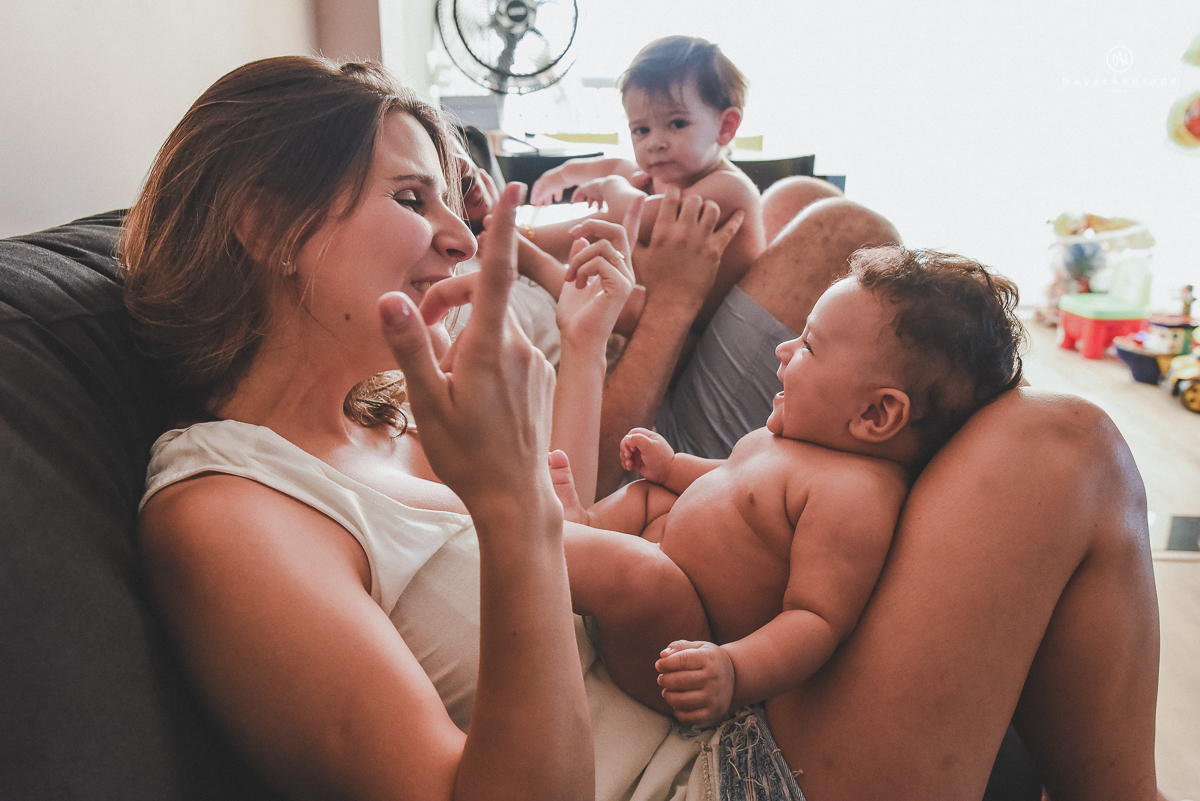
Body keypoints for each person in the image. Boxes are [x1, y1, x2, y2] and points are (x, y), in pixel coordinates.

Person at [121, 55, 1159, 801]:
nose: (454, 233)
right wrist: (517, 517)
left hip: (720, 704)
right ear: (264, 225)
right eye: (409, 196)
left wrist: (578, 359)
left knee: (1028, 440)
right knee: (1060, 450)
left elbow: (573, 515)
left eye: (453, 199)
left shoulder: (391, 425)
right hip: (712, 776)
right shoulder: (227, 511)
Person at [556, 247, 1025, 735]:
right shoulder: (792, 438)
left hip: (677, 651)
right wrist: (671, 467)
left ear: (876, 415)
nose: (783, 349)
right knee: (649, 496)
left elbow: (815, 620)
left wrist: (732, 669)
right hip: (664, 573)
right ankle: (585, 528)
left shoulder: (854, 494)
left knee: (643, 574)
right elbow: (726, 482)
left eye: (809, 346)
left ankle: (541, 548)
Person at [525, 36, 767, 330]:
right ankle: (522, 240)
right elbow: (616, 165)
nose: (655, 143)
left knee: (609, 230)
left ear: (725, 127)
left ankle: (525, 251)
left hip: (705, 340)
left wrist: (610, 186)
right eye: (641, 129)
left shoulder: (730, 189)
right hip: (666, 321)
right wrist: (564, 175)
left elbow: (639, 212)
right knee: (606, 231)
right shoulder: (664, 176)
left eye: (677, 123)